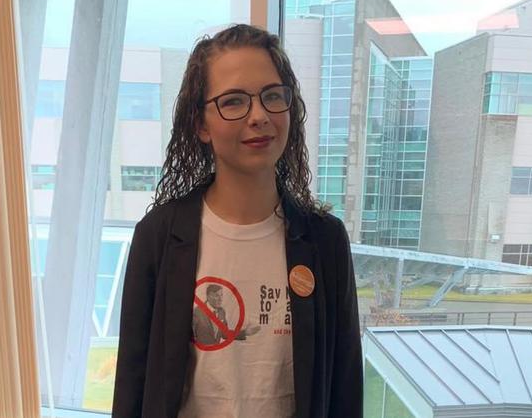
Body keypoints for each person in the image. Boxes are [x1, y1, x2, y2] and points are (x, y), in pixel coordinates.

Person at [113, 24, 362, 418]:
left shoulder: (324, 241)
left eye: (272, 96)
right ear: (201, 124)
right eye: (233, 102)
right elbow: (132, 382)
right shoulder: (159, 236)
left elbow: (345, 386)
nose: (259, 116)